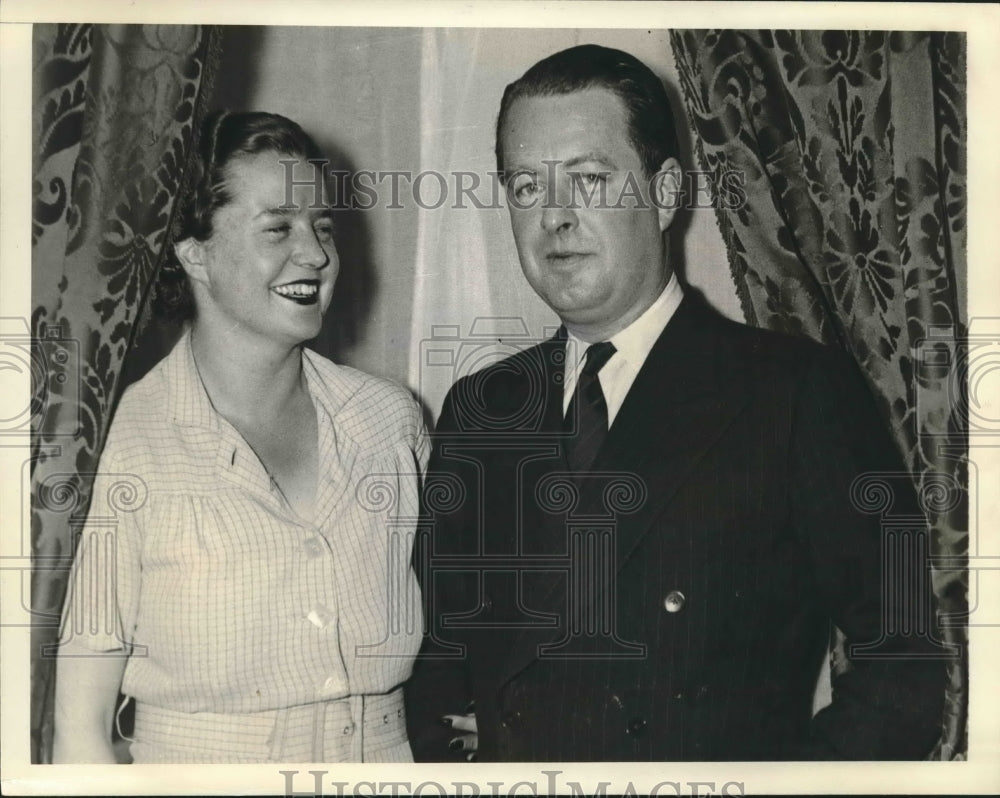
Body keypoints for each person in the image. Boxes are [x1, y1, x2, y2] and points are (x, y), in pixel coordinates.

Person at [405, 44, 946, 761]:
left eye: (591, 180)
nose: (556, 218)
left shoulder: (792, 393)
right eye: (528, 187)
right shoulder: (481, 410)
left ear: (665, 194)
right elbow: (435, 670)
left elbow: (902, 662)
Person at [53, 111, 428, 763]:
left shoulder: (390, 421)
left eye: (322, 227)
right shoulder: (121, 445)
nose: (314, 253)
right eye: (277, 227)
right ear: (194, 253)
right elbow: (80, 733)